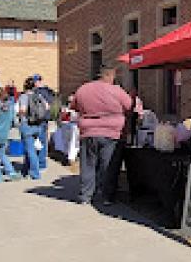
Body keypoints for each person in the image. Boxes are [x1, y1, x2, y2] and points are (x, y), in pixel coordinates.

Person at [71, 65, 132, 206]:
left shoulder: (83, 89)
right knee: (108, 165)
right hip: (112, 133)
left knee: (87, 165)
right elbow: (130, 106)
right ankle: (107, 197)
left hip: (88, 131)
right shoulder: (116, 90)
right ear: (109, 75)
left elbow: (74, 106)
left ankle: (85, 196)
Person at [16, 77, 45, 180]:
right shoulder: (39, 96)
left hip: (27, 124)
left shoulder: (24, 96)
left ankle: (35, 173)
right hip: (37, 125)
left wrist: (18, 114)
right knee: (30, 149)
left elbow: (23, 110)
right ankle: (25, 170)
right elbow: (47, 107)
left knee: (30, 150)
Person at [31, 73, 56, 171]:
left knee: (38, 141)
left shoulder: (38, 92)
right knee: (42, 141)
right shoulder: (48, 91)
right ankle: (41, 163)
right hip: (45, 118)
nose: (34, 83)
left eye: (35, 81)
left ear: (38, 81)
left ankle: (40, 163)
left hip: (39, 119)